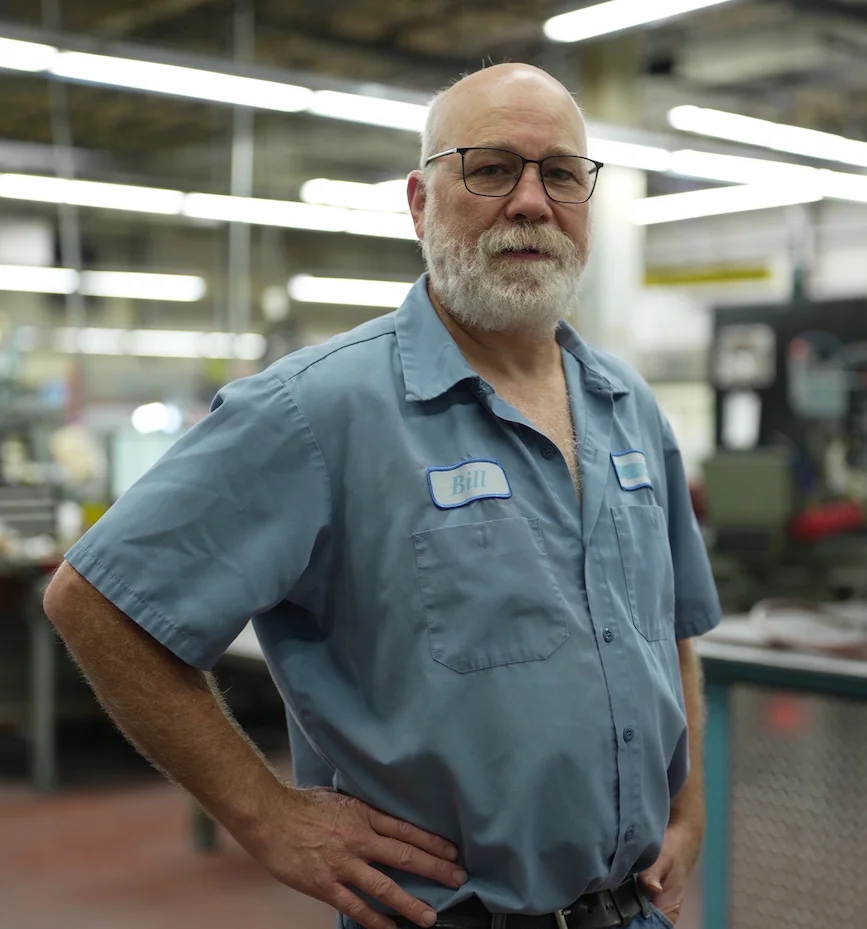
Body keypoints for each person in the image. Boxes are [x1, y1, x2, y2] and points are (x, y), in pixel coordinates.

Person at [42, 63, 721, 929]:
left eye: (559, 173)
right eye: (489, 168)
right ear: (418, 202)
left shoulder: (628, 407)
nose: (528, 202)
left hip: (634, 913)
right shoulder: (316, 410)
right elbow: (97, 600)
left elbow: (672, 629)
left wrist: (690, 806)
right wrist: (266, 815)